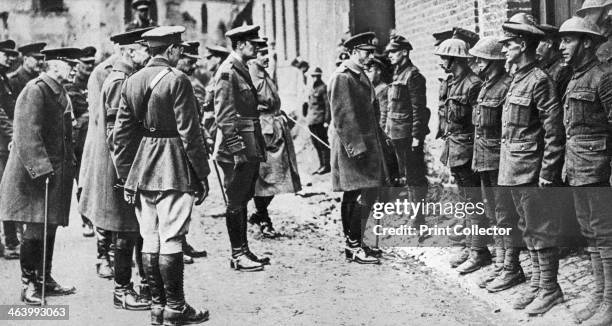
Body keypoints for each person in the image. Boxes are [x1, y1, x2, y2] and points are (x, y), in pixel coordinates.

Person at [113, 26, 210, 325]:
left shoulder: (131, 81)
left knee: (150, 237)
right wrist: (201, 173)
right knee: (172, 238)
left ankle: (157, 307)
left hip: (142, 166)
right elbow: (190, 133)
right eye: (179, 49)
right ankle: (176, 308)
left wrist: (127, 175)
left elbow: (121, 136)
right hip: (173, 163)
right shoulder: (178, 80)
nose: (181, 54)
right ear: (170, 51)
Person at [0, 47, 82, 305]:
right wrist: (42, 170)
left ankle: (44, 278)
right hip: (34, 175)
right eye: (69, 64)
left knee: (50, 224)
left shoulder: (57, 90)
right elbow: (26, 134)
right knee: (35, 228)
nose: (74, 68)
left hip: (54, 171)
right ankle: (28, 285)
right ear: (55, 66)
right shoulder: (36, 90)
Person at [80, 28, 153, 311]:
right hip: (119, 168)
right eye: (145, 49)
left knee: (132, 228)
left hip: (122, 165)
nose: (148, 54)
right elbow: (116, 134)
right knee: (124, 228)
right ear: (129, 52)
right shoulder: (119, 80)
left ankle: (139, 283)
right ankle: (122, 290)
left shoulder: (124, 77)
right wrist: (128, 172)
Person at [498, 13, 565, 316]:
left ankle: (550, 289)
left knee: (540, 228)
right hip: (513, 168)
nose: (504, 50)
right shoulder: (518, 79)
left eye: (508, 44)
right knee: (527, 227)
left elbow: (554, 133)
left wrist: (547, 175)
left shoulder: (540, 80)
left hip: (532, 170)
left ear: (522, 44)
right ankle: (539, 285)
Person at [557, 17, 612, 325]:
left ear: (588, 42)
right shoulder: (575, 78)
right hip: (577, 168)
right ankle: (599, 296)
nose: (562, 46)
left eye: (569, 40)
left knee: (605, 234)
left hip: (600, 171)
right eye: (562, 41)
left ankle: (610, 304)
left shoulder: (604, 77)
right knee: (590, 233)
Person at [465, 37, 524, 289]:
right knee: (493, 213)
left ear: (493, 62)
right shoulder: (486, 87)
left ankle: (511, 268)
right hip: (483, 160)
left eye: (481, 59)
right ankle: (500, 264)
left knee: (505, 215)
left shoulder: (506, 86)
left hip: (499, 161)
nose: (477, 63)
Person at [329, 32, 388, 264]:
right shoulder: (343, 77)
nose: (370, 57)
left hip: (367, 144)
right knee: (358, 194)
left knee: (358, 194)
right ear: (353, 52)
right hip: (354, 146)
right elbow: (343, 117)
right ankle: (353, 245)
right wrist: (357, 149)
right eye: (366, 52)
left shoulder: (357, 73)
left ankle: (356, 242)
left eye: (372, 52)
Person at [213, 25, 268, 271]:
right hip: (235, 148)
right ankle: (237, 254)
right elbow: (224, 116)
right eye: (252, 43)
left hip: (248, 142)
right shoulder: (227, 71)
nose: (256, 47)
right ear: (239, 45)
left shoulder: (241, 68)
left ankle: (244, 250)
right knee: (236, 200)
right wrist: (237, 150)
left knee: (244, 197)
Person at [434, 37, 486, 271]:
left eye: (444, 57)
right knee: (465, 200)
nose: (441, 62)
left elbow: (479, 125)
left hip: (468, 149)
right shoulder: (453, 82)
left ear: (455, 59)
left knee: (473, 202)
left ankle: (479, 251)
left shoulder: (473, 84)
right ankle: (469, 245)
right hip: (454, 147)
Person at [248, 40, 302, 238]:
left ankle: (260, 214)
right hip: (265, 132)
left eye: (267, 54)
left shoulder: (264, 73)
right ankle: (262, 216)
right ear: (252, 56)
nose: (266, 58)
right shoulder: (252, 75)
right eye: (261, 54)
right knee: (269, 177)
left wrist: (280, 112)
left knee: (278, 177)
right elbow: (248, 104)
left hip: (275, 128)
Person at [385, 34, 430, 227]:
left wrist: (416, 137)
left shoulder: (414, 75)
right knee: (404, 175)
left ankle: (418, 218)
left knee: (414, 177)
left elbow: (418, 109)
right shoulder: (397, 73)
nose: (390, 55)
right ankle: (413, 214)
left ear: (404, 52)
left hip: (408, 136)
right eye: (389, 52)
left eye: (393, 52)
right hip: (396, 134)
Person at [175, 41, 210, 263]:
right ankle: (176, 246)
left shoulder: (189, 81)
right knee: (178, 197)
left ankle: (182, 242)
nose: (192, 64)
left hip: (190, 144)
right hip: (178, 148)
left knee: (186, 197)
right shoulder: (177, 82)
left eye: (194, 61)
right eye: (188, 59)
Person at [0, 40, 17, 260]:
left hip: (3, 144)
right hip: (1, 145)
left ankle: (11, 241)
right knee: (6, 193)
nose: (9, 58)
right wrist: (14, 135)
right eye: (5, 54)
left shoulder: (3, 77)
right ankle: (11, 243)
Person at [306, 67, 331, 175]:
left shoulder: (323, 88)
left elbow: (327, 105)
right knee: (316, 144)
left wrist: (326, 120)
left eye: (316, 76)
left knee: (322, 143)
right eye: (313, 76)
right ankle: (321, 165)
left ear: (319, 76)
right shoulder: (313, 88)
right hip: (311, 120)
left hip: (320, 120)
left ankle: (326, 166)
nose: (314, 78)